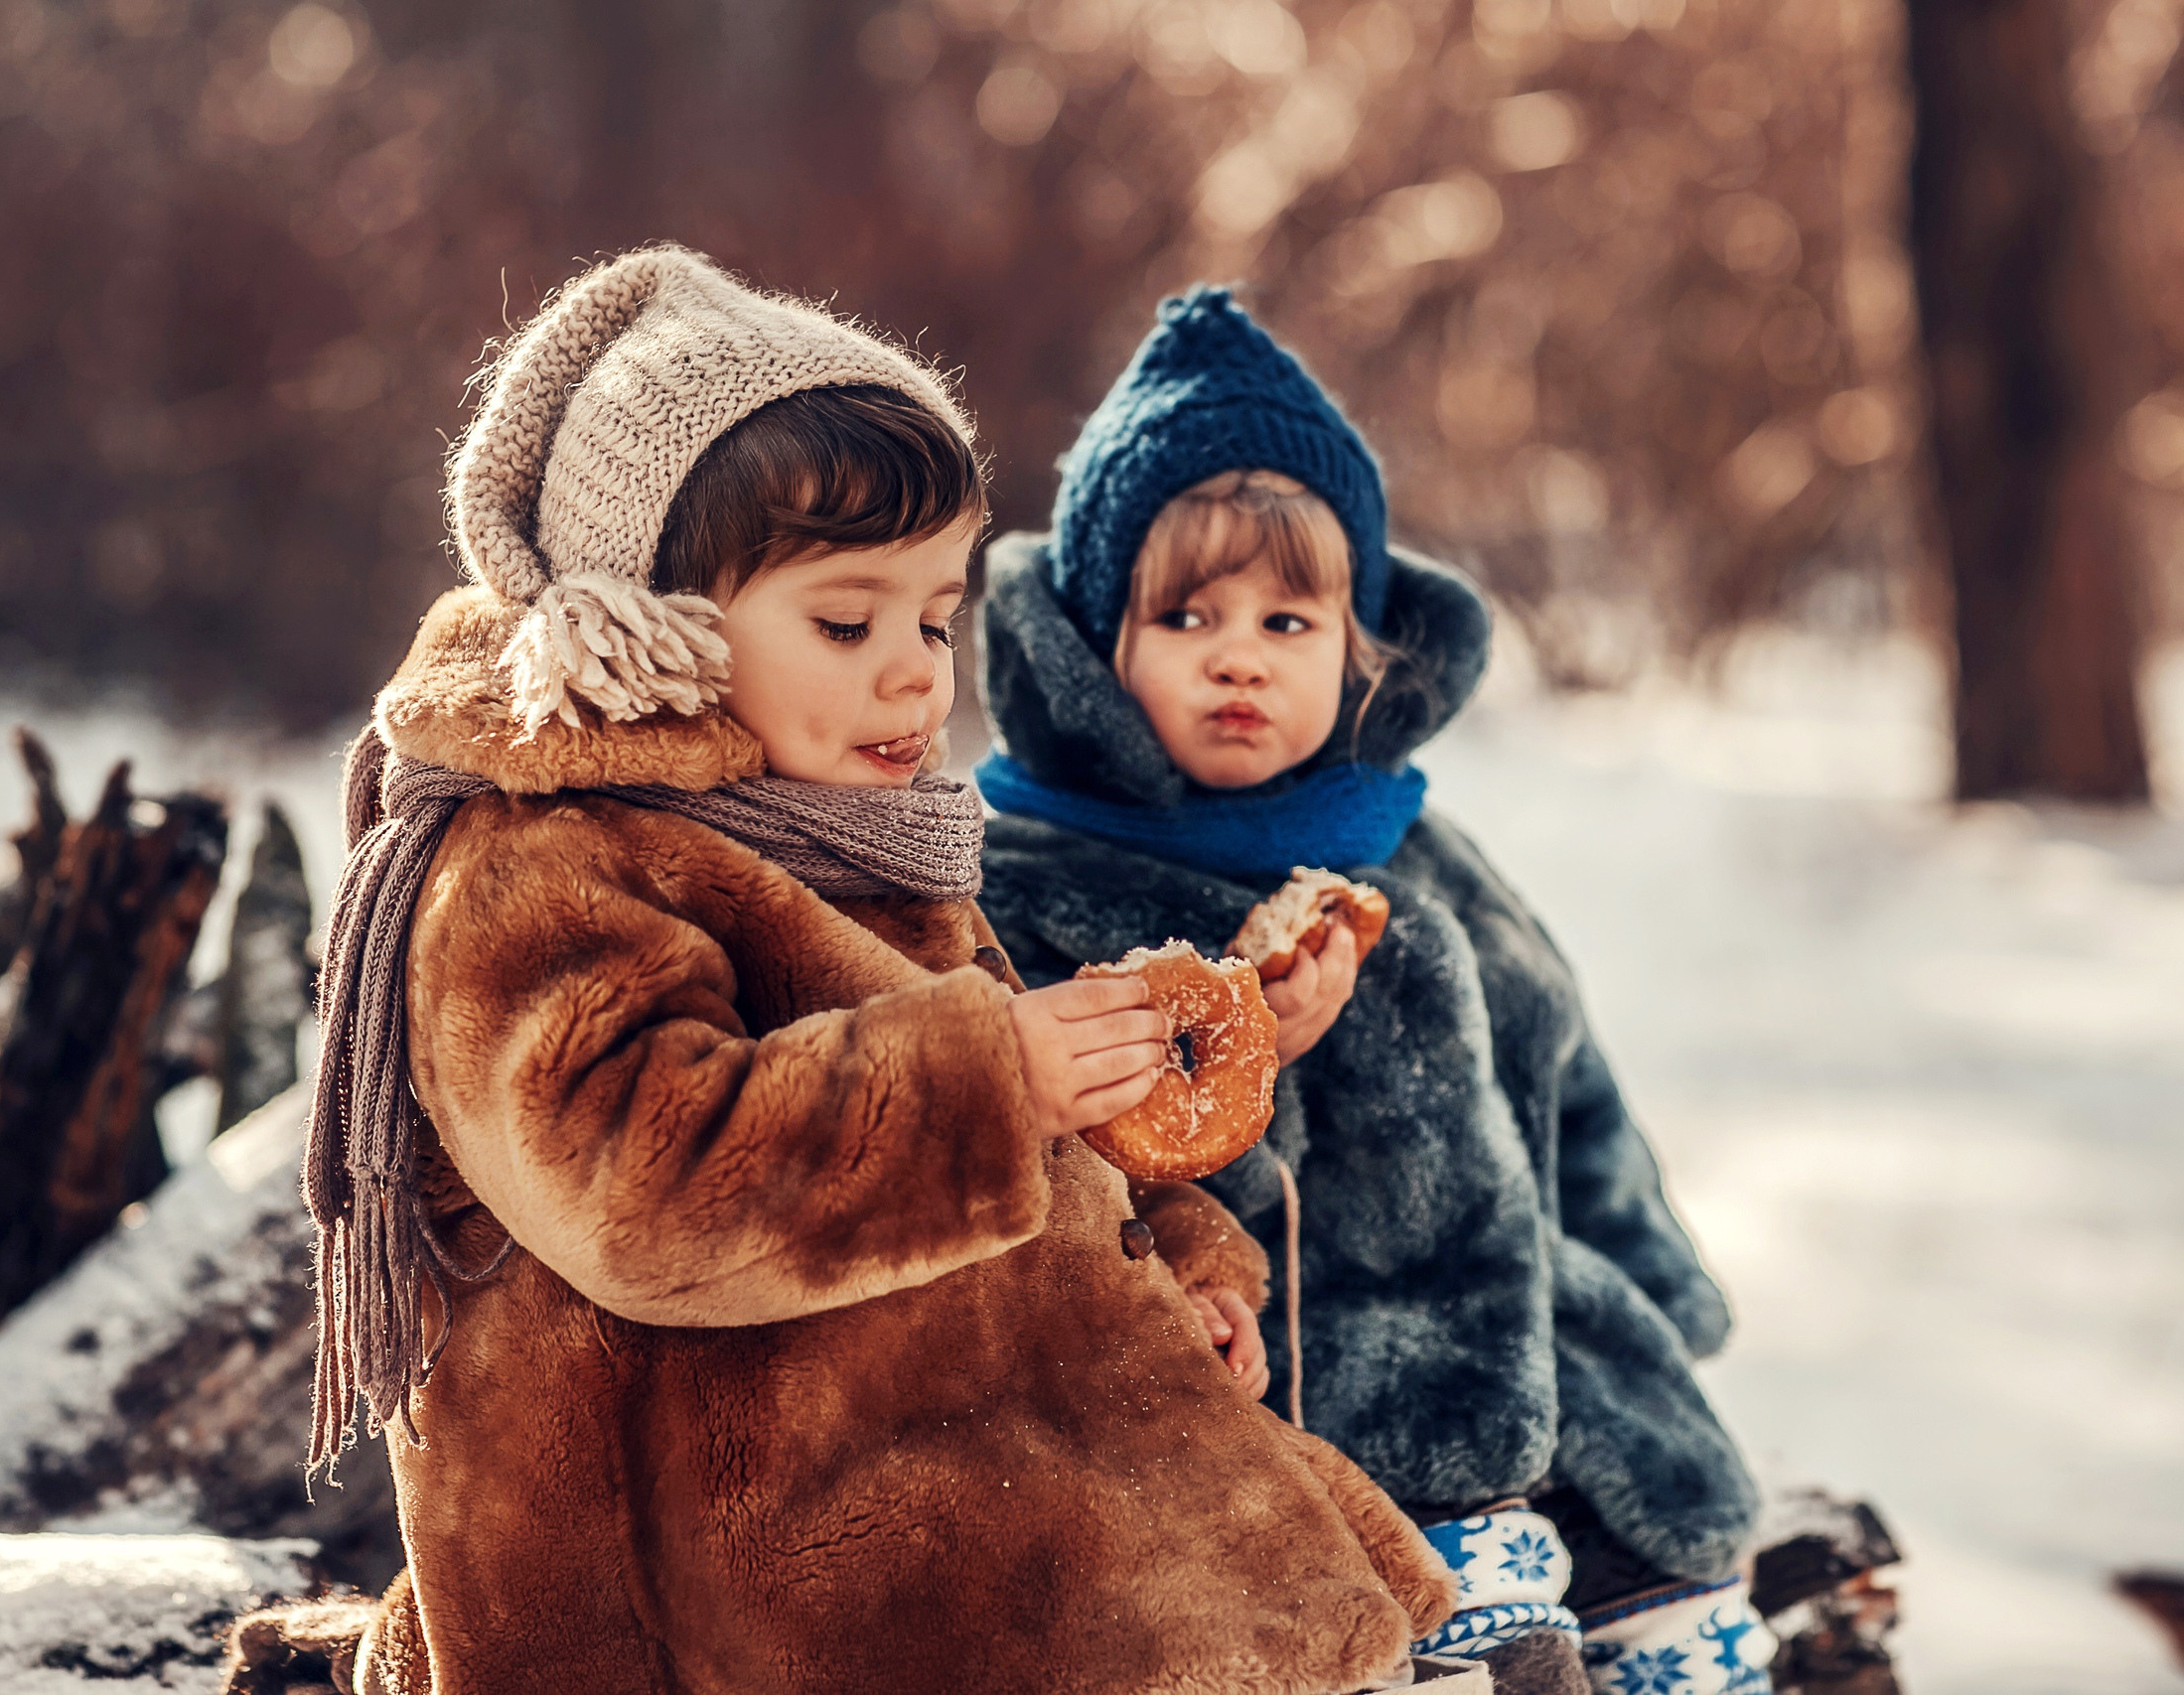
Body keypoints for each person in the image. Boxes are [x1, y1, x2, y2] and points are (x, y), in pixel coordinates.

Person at [277, 248, 1453, 1695]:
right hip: (718, 1576)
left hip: (939, 1476)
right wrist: (989, 1076)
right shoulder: (541, 864)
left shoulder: (849, 834)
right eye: (847, 622)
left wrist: (1185, 1259)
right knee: (1206, 1615)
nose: (915, 673)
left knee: (1299, 1597)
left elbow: (1054, 1152)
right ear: (651, 618)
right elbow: (639, 1188)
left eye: (935, 616)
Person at [973, 288, 1773, 1695]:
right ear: (1102, 642)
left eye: (1290, 618)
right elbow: (1080, 1199)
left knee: (1693, 1629)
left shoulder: (1412, 849)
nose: (1240, 654)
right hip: (1303, 1424)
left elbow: (1564, 1075)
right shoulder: (1039, 882)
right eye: (1188, 614)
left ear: (1362, 646)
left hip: (1551, 1366)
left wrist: (1655, 1292)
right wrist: (1249, 1063)